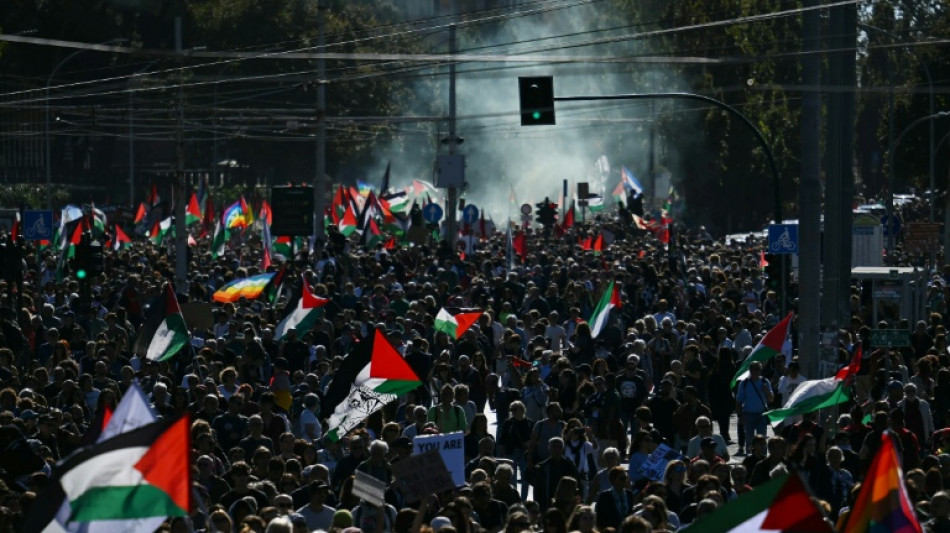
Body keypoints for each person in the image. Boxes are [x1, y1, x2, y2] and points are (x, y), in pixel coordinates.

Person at [735, 361, 774, 454]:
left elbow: (771, 399)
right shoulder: (744, 383)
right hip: (748, 414)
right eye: (755, 369)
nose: (757, 372)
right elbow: (739, 400)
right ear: (750, 371)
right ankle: (750, 457)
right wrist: (739, 416)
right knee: (749, 439)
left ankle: (763, 457)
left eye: (759, 369)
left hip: (761, 414)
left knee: (762, 438)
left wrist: (766, 390)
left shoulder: (765, 381)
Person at [595, 466, 635, 531]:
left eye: (626, 478)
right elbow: (600, 517)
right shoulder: (605, 496)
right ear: (613, 480)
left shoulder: (629, 494)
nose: (625, 480)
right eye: (622, 478)